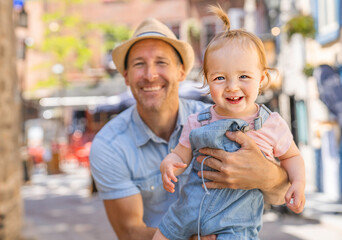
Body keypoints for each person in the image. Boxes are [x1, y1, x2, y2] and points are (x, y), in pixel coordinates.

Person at [89, 16, 291, 240]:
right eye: (139, 64)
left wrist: (266, 175)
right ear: (126, 76)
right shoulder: (109, 145)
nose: (150, 75)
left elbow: (281, 195)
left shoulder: (223, 118)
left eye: (161, 62)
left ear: (182, 72)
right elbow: (129, 232)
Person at [152, 6, 305, 240]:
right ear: (207, 81)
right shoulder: (198, 120)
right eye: (220, 78)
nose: (232, 86)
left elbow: (291, 156)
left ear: (262, 78)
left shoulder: (270, 124)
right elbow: (181, 153)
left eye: (243, 76)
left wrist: (298, 182)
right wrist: (170, 162)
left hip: (235, 224)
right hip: (188, 212)